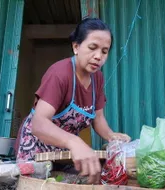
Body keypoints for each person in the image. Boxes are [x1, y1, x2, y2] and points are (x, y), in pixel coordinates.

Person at [16, 18, 131, 184]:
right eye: (92, 48)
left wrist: (111, 136)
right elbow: (39, 123)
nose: (98, 56)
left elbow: (97, 118)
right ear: (76, 47)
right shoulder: (60, 73)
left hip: (64, 151)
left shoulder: (97, 78)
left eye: (104, 51)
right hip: (36, 147)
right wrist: (74, 141)